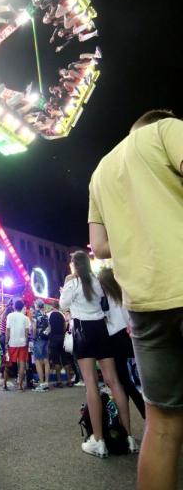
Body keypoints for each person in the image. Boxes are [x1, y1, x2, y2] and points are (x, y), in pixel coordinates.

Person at [88, 110, 183, 490]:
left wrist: (137, 233)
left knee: (161, 426)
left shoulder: (101, 170)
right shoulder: (167, 130)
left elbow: (99, 246)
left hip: (144, 305)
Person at [59, 250, 137, 459]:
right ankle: (129, 437)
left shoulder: (73, 283)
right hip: (101, 330)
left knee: (91, 384)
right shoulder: (97, 282)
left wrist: (68, 282)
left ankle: (99, 441)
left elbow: (63, 305)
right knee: (114, 381)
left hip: (83, 331)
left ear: (74, 266)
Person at [98, 268, 146, 419]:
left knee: (121, 380)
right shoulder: (120, 294)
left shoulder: (103, 298)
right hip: (126, 336)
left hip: (113, 339)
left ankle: (137, 413)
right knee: (126, 379)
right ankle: (128, 415)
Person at [5, 299, 30, 391]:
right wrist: (26, 342)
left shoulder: (10, 316)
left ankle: (5, 384)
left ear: (14, 307)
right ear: (22, 307)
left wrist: (6, 342)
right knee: (22, 363)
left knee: (8, 363)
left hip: (12, 343)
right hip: (22, 343)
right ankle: (20, 385)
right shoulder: (25, 318)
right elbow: (27, 332)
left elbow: (8, 330)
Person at [48, 301, 74, 388]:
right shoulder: (62, 315)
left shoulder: (49, 315)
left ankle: (59, 381)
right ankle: (69, 380)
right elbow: (64, 327)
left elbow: (49, 327)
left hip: (53, 339)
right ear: (58, 306)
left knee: (56, 360)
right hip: (62, 338)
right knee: (65, 358)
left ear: (52, 306)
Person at [32, 299, 50, 391]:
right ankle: (46, 382)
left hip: (38, 339)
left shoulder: (36, 314)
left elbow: (34, 327)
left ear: (36, 305)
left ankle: (42, 383)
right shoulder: (45, 314)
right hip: (46, 338)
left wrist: (33, 337)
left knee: (38, 361)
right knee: (46, 360)